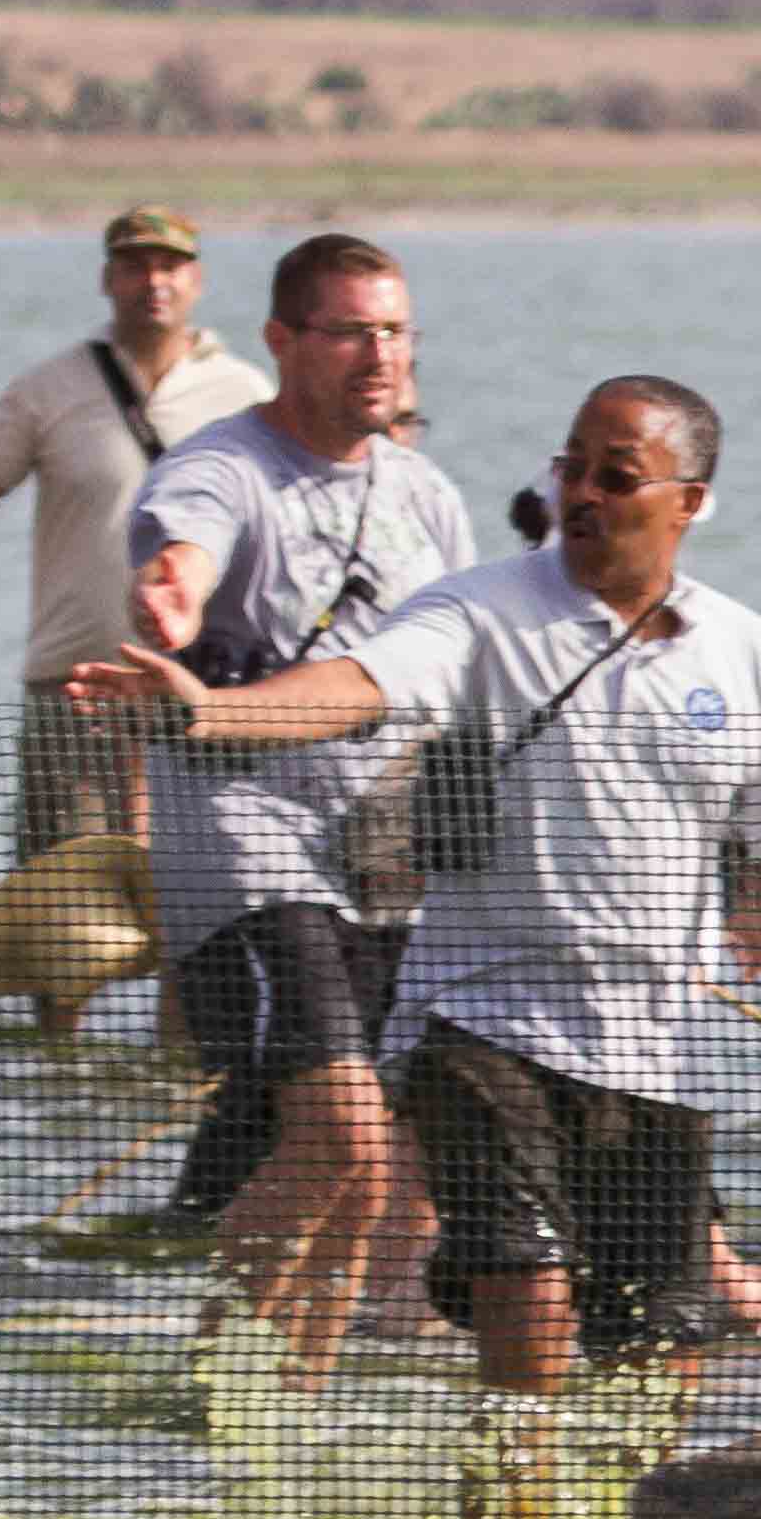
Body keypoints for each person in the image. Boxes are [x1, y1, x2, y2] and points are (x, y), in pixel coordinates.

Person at [67, 378, 761, 1433]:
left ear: (689, 502)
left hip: (658, 1058)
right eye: (572, 466)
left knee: (658, 1374)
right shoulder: (478, 609)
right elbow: (362, 685)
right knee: (529, 1316)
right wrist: (215, 713)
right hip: (484, 1025)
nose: (584, 492)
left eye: (617, 477)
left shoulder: (752, 653)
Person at [119, 232, 481, 1375]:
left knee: (386, 1162)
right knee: (343, 1136)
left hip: (387, 856)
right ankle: (223, 1376)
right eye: (350, 332)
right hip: (251, 858)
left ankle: (291, 1403)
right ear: (283, 341)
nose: (380, 355)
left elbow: (472, 668)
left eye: (395, 331)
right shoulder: (222, 470)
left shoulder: (426, 494)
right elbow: (185, 538)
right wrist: (175, 590)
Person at [0, 206, 268, 1042]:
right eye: (136, 265)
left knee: (191, 895)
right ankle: (57, 1062)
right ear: (108, 278)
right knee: (59, 900)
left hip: (197, 687)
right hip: (71, 677)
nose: (155, 281)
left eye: (171, 265)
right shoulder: (49, 386)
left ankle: (176, 1060)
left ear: (196, 279)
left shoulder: (247, 393)